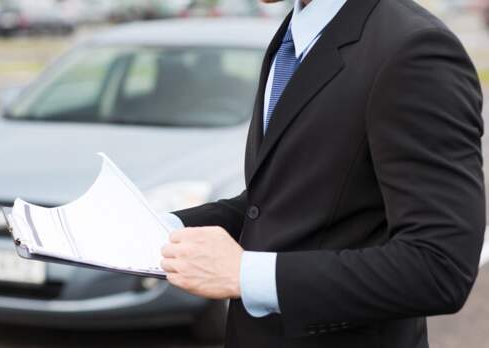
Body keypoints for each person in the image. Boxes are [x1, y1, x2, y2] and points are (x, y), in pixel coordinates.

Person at [159, 0, 485, 347]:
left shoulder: (414, 48)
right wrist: (163, 228)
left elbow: (439, 267)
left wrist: (244, 274)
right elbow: (281, 199)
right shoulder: (294, 35)